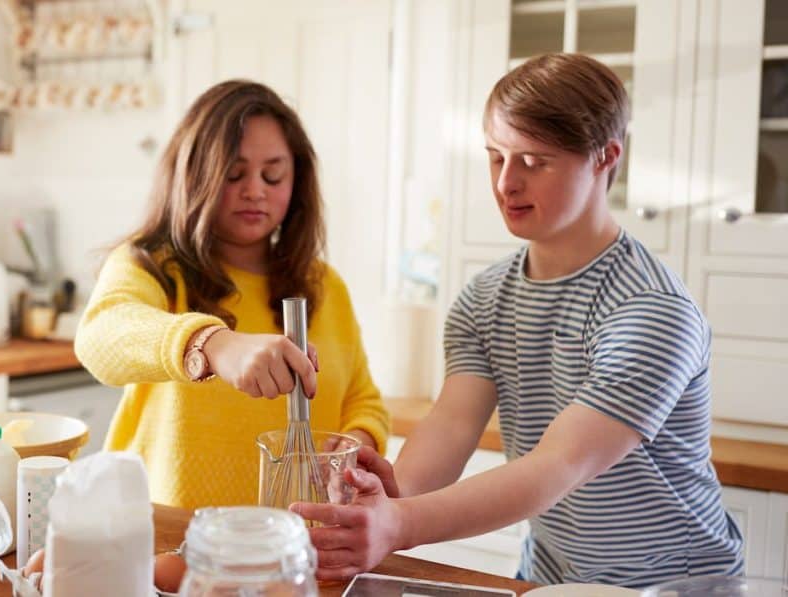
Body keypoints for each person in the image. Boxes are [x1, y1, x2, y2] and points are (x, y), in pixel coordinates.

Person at [291, 53, 744, 589]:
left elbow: (558, 465)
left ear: (605, 157)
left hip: (671, 583)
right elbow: (453, 424)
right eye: (495, 157)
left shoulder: (651, 310)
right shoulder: (484, 299)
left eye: (534, 160)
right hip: (550, 575)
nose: (507, 182)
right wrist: (388, 498)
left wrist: (399, 525)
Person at [74, 79, 390, 511]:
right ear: (194, 174)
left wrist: (352, 446)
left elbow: (363, 399)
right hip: (164, 540)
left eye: (273, 174)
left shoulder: (324, 286)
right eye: (234, 173)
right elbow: (101, 336)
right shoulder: (152, 266)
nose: (255, 190)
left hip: (292, 544)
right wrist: (212, 345)